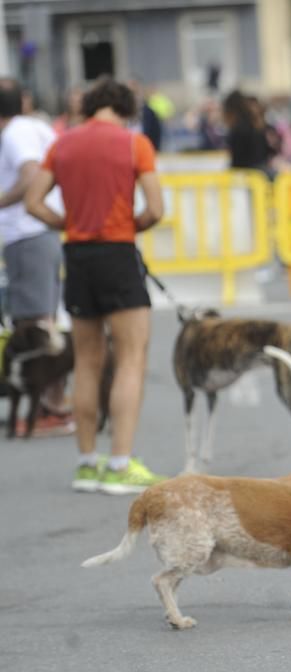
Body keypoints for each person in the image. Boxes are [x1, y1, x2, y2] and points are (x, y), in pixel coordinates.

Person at [25, 77, 167, 495]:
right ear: (125, 110)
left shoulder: (62, 143)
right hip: (118, 254)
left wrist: (65, 224)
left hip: (78, 256)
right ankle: (121, 462)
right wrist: (131, 225)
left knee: (86, 359)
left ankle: (87, 462)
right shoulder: (132, 144)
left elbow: (34, 200)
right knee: (130, 357)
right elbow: (156, 208)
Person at [0, 78, 75, 437]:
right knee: (47, 322)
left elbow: (30, 178)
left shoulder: (14, 134)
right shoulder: (35, 126)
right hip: (41, 233)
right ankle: (53, 403)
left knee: (33, 328)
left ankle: (51, 407)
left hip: (27, 234)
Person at [222, 90, 274, 177]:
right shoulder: (256, 125)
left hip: (249, 176)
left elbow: (238, 161)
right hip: (261, 173)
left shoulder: (239, 129)